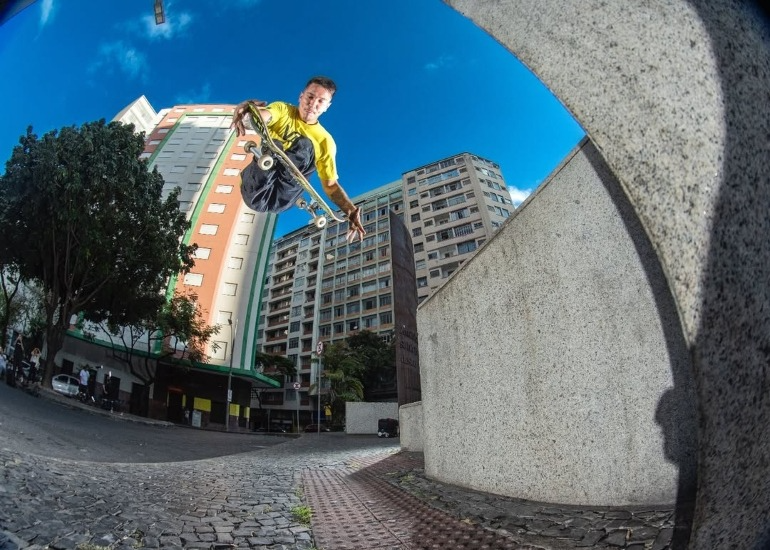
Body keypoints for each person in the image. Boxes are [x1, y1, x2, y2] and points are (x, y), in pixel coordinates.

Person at [231, 76, 366, 242]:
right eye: (310, 97)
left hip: (283, 197)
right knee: (277, 145)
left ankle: (281, 161)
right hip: (255, 189)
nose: (312, 104)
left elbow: (330, 184)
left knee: (305, 145)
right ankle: (274, 155)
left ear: (327, 107)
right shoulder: (283, 110)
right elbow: (265, 116)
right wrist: (250, 112)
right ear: (301, 96)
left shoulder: (325, 141)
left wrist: (350, 210)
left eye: (320, 101)